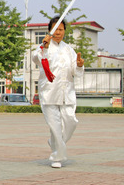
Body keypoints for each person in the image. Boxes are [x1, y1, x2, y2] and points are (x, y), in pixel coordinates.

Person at [32, 16, 85, 169]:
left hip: (66, 92)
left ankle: (55, 141)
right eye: (55, 30)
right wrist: (45, 46)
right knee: (55, 125)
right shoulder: (43, 46)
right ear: (50, 31)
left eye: (61, 29)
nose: (58, 33)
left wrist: (80, 65)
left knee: (71, 121)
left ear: (64, 32)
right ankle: (57, 156)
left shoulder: (69, 50)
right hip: (49, 92)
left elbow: (75, 70)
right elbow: (36, 58)